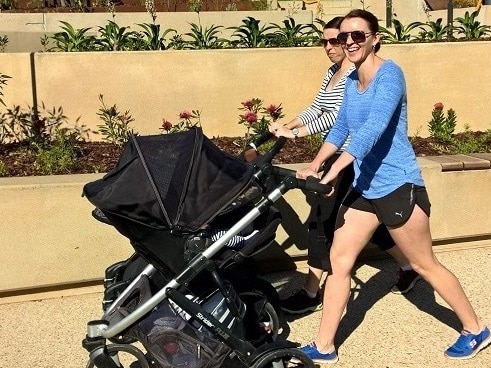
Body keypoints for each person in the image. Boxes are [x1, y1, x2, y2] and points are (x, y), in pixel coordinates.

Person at [295, 9, 490, 364]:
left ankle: (475, 328)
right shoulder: (353, 82)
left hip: (399, 186)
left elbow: (371, 131)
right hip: (367, 189)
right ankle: (324, 346)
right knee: (340, 261)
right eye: (343, 37)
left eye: (357, 36)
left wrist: (333, 172)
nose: (349, 42)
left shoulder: (390, 76)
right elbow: (340, 130)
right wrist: (314, 163)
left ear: (374, 38)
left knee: (424, 264)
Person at [269, 17, 420, 315]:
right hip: (336, 155)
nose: (332, 46)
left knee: (321, 222)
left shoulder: (358, 71)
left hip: (351, 158)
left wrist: (299, 136)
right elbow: (317, 107)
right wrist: (290, 125)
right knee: (367, 221)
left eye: (337, 39)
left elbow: (339, 121)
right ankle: (408, 266)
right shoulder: (333, 73)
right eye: (327, 41)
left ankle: (312, 292)